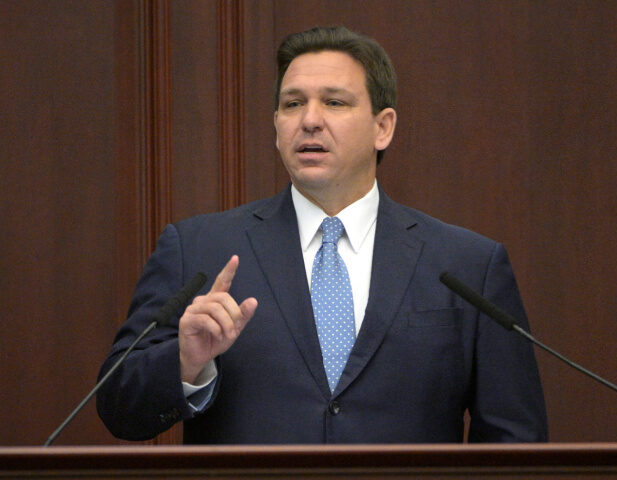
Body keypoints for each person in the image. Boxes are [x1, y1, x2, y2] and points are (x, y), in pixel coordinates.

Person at [97, 26, 548, 443]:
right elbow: (117, 405)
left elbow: (515, 443)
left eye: (334, 102)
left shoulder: (467, 265)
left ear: (383, 127)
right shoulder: (198, 250)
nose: (309, 120)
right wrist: (185, 362)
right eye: (292, 104)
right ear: (276, 127)